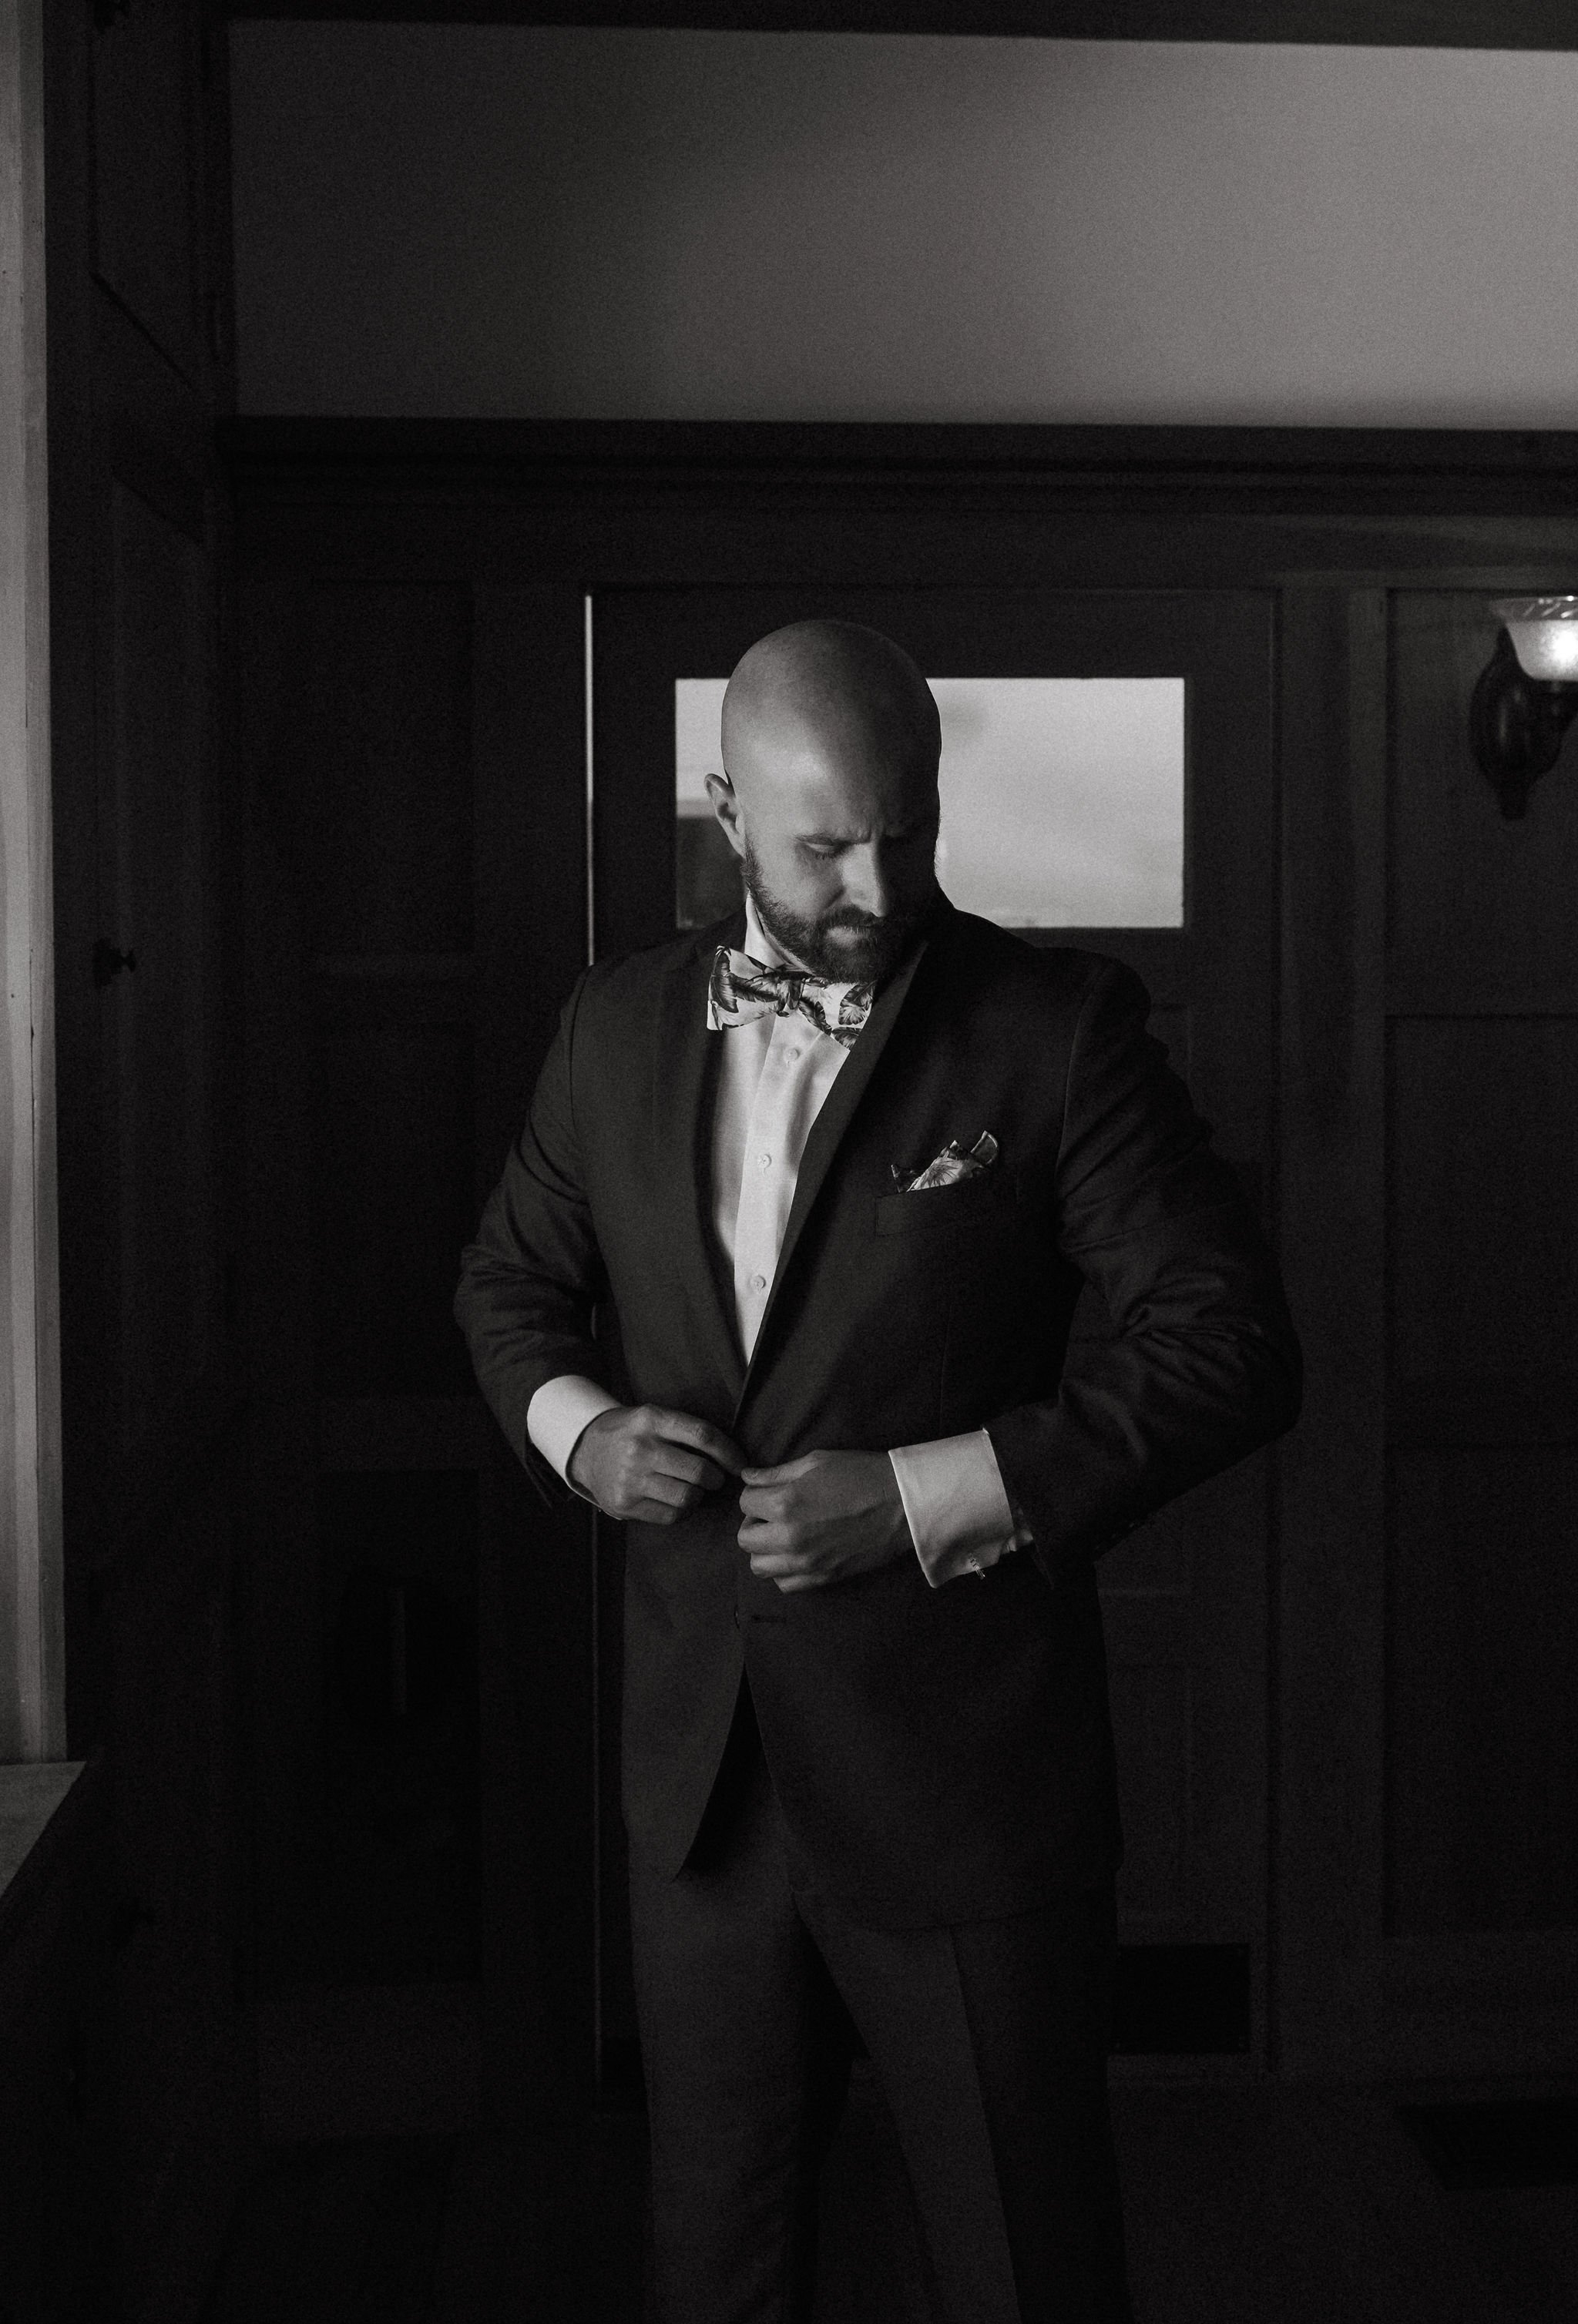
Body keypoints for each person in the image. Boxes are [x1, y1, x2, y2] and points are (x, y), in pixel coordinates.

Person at [455, 619, 1301, 2324]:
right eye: (825, 839)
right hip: (703, 1796)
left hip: (967, 1788)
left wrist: (922, 1499)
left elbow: (1231, 1347)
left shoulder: (1055, 1030)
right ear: (725, 809)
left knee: (1025, 2264)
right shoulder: (610, 1029)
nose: (875, 875)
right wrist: (581, 1430)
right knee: (720, 2260)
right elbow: (506, 1288)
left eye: (904, 829)